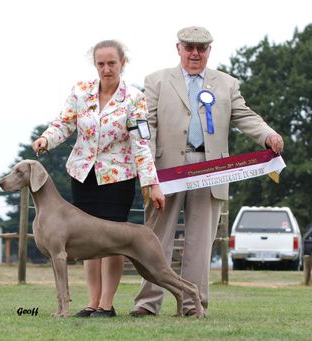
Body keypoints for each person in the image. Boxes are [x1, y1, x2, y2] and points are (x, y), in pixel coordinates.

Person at [130, 26, 284, 317]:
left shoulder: (226, 83)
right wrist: (149, 176)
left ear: (209, 51)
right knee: (154, 241)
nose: (195, 53)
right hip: (166, 171)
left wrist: (268, 136)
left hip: (212, 170)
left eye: (202, 48)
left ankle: (193, 305)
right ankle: (147, 304)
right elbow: (146, 129)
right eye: (189, 47)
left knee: (200, 244)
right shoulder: (156, 81)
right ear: (178, 48)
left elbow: (245, 116)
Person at [32, 40, 165, 318]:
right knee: (85, 241)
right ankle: (91, 302)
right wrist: (46, 139)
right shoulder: (81, 92)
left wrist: (151, 184)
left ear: (122, 63)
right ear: (95, 65)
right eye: (101, 64)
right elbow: (64, 123)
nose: (106, 69)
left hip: (118, 178)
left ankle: (106, 303)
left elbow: (141, 143)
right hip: (83, 176)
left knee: (113, 240)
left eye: (111, 63)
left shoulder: (134, 98)